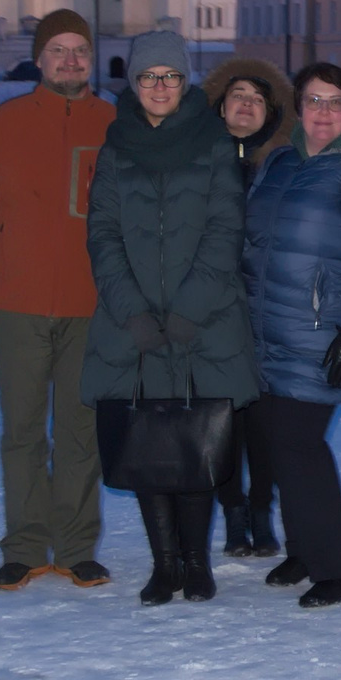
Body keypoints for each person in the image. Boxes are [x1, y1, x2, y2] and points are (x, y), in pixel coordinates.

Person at [81, 31, 260, 606]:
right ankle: (165, 564)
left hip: (203, 319)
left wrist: (189, 310)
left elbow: (225, 231)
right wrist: (132, 311)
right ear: (134, 83)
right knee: (147, 442)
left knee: (196, 438)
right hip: (131, 322)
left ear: (185, 82)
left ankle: (196, 562)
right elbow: (102, 233)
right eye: (149, 76)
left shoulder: (214, 143)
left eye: (171, 76)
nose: (160, 86)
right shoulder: (116, 148)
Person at [0, 9, 115, 592]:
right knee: (22, 430)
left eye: (80, 51)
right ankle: (23, 548)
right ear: (40, 59)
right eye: (58, 51)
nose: (70, 61)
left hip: (90, 304)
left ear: (91, 60)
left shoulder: (112, 124)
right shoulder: (8, 122)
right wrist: (10, 242)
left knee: (79, 430)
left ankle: (75, 548)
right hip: (17, 304)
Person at [243, 61, 341, 608]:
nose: (324, 112)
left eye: (335, 102)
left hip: (321, 331)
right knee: (279, 446)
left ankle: (337, 571)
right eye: (314, 100)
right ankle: (304, 551)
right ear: (298, 108)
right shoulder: (280, 162)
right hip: (264, 328)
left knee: (299, 445)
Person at [202, 57, 294, 560]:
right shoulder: (198, 160)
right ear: (220, 106)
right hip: (213, 310)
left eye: (257, 99)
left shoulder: (283, 166)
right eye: (238, 95)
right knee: (222, 417)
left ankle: (261, 508)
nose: (246, 104)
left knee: (263, 418)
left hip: (267, 307)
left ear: (271, 113)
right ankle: (232, 509)